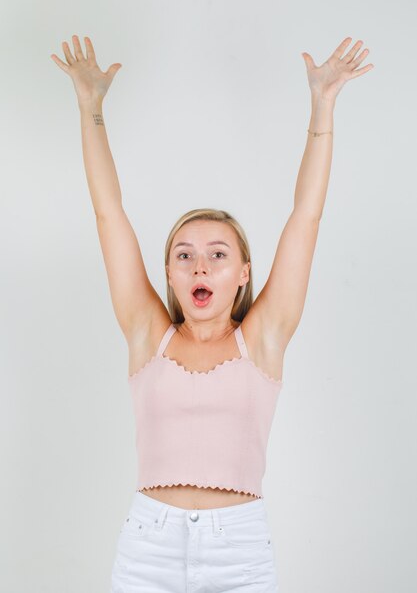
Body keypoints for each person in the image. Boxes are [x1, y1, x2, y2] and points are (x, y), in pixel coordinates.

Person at [51, 34, 373, 592]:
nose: (200, 267)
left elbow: (306, 217)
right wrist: (91, 110)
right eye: (185, 255)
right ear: (170, 273)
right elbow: (109, 214)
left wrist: (323, 107)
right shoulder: (145, 332)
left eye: (218, 256)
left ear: (243, 273)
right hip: (147, 544)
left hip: (240, 550)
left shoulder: (264, 339)